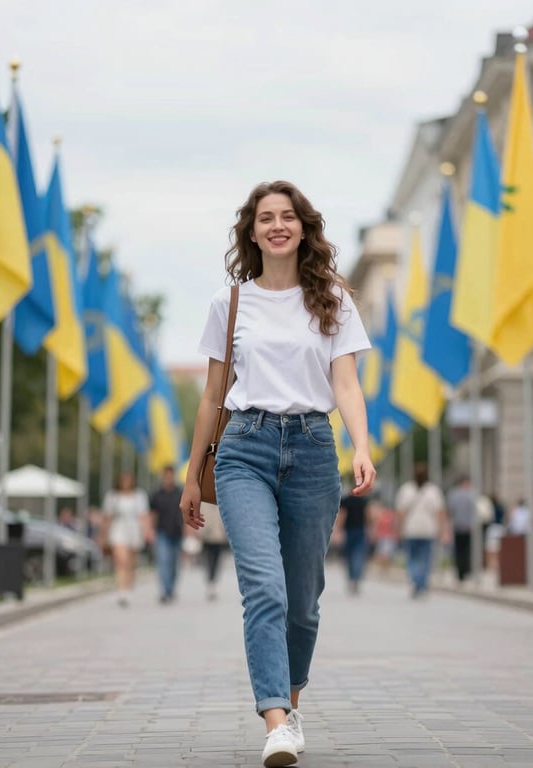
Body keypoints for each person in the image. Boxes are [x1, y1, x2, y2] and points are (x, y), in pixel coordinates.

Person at [179, 180, 376, 768]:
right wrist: (192, 477)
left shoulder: (334, 301)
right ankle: (274, 722)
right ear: (252, 230)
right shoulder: (230, 302)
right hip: (245, 448)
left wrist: (361, 447)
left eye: (287, 216)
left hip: (315, 449)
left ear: (303, 227)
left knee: (304, 599)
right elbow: (213, 395)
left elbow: (346, 383)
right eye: (266, 217)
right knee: (262, 586)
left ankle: (290, 709)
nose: (277, 225)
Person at [395, 462, 450, 597]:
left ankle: (416, 580)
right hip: (428, 530)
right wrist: (443, 530)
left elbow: (401, 512)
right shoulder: (433, 491)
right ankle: (421, 583)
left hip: (411, 530)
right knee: (426, 558)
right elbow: (440, 513)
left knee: (412, 558)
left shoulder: (406, 490)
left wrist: (399, 528)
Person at [101, 472, 149, 607]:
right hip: (118, 529)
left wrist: (147, 531)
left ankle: (129, 587)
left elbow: (143, 516)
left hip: (134, 529)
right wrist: (103, 535)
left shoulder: (139, 496)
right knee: (121, 561)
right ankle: (122, 590)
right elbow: (107, 517)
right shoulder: (112, 496)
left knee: (131, 563)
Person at [149, 465, 184, 604]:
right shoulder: (157, 495)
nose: (168, 478)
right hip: (162, 531)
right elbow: (153, 514)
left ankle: (171, 587)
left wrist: (189, 531)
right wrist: (150, 530)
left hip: (177, 531)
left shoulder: (180, 493)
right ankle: (165, 589)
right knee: (163, 560)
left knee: (174, 563)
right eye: (166, 475)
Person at [335, 487, 371, 595]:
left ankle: (351, 577)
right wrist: (370, 527)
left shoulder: (346, 500)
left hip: (349, 531)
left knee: (349, 556)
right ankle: (356, 577)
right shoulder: (364, 500)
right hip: (360, 530)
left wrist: (338, 529)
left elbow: (342, 515)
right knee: (359, 555)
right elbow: (368, 515)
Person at [447, 475, 476, 583]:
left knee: (459, 550)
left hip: (458, 526)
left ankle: (461, 572)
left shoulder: (453, 494)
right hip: (466, 527)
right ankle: (465, 570)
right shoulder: (470, 495)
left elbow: (450, 510)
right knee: (466, 550)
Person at [199, 501, 227, 600]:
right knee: (207, 561)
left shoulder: (221, 500)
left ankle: (213, 582)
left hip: (218, 538)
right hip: (206, 537)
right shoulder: (204, 503)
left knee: (216, 561)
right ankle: (210, 580)